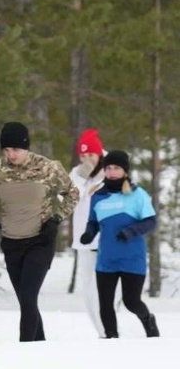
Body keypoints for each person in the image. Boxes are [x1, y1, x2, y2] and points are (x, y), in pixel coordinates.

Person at [0, 121, 80, 342]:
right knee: (26, 300)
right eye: (6, 149)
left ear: (26, 147)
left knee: (29, 298)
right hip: (12, 243)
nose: (10, 154)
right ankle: (39, 348)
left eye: (15, 149)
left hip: (39, 241)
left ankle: (24, 350)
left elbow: (72, 193)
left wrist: (57, 217)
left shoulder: (47, 168)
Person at [80, 150, 160, 339]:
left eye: (116, 168)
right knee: (105, 304)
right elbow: (93, 221)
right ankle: (111, 339)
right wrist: (88, 233)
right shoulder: (97, 196)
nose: (112, 172)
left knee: (131, 302)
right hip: (106, 258)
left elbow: (151, 221)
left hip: (133, 258)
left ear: (124, 170)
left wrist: (130, 232)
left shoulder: (137, 194)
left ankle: (148, 319)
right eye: (108, 168)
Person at [70, 129, 109, 337]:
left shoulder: (111, 169)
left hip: (105, 240)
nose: (86, 160)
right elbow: (66, 198)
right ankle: (102, 332)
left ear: (99, 154)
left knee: (104, 287)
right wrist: (82, 181)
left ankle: (110, 328)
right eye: (82, 156)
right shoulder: (76, 174)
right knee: (88, 289)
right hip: (83, 241)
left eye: (90, 155)